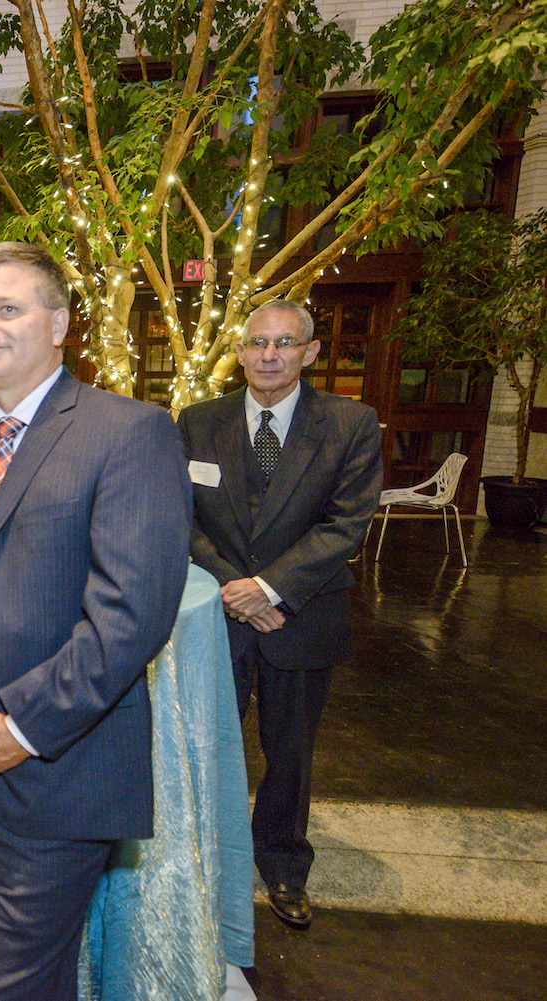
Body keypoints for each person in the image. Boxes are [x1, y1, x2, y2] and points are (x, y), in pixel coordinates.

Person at [0, 242, 191, 1001]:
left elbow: (130, 617)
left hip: (57, 773)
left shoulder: (128, 432)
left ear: (59, 325)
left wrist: (18, 730)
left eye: (7, 308)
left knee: (11, 988)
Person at [177, 299, 382, 930]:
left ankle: (284, 863)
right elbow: (179, 515)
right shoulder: (198, 422)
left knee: (290, 753)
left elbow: (346, 523)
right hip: (218, 613)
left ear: (310, 352)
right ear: (240, 351)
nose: (270, 355)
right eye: (259, 343)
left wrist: (270, 589)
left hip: (303, 614)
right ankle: (200, 859)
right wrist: (235, 587)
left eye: (285, 343)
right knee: (205, 745)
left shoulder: (349, 424)